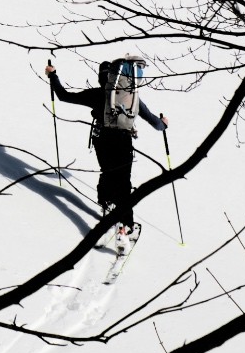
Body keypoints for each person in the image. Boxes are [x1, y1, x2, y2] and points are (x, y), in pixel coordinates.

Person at [45, 58, 168, 238]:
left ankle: (106, 202)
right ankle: (125, 226)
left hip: (101, 138)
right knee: (124, 182)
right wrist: (163, 124)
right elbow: (156, 124)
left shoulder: (96, 94)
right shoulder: (130, 97)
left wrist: (53, 75)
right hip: (123, 140)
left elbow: (64, 96)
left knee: (107, 171)